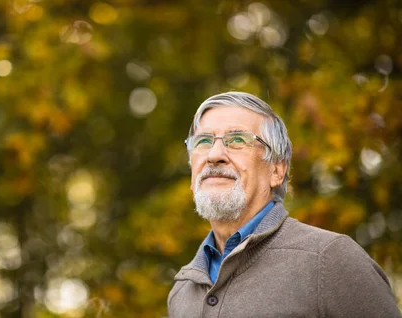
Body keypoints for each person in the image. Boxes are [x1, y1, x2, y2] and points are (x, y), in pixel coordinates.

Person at [167, 92, 401, 317]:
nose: (214, 154)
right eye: (204, 141)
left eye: (237, 140)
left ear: (276, 171)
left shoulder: (330, 260)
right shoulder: (182, 290)